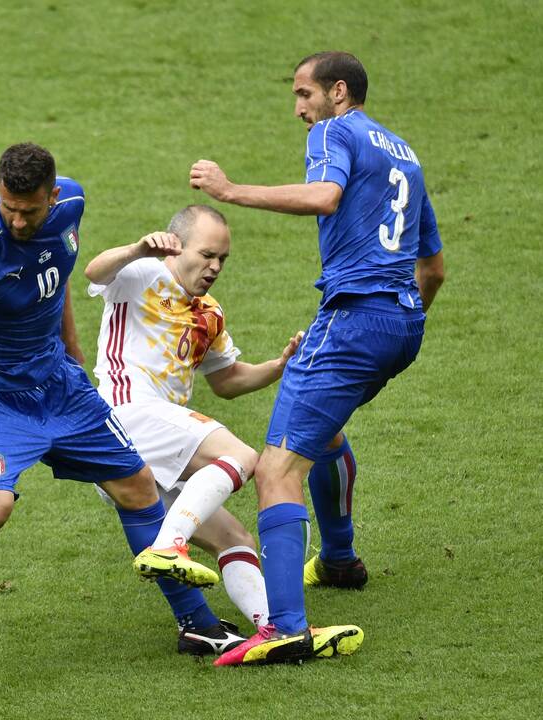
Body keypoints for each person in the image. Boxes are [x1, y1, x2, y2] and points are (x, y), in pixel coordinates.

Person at [0, 142, 218, 678]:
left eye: (29, 210)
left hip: (60, 386)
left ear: (52, 195)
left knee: (138, 488)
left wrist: (72, 353)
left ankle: (195, 623)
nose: (19, 221)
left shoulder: (72, 203)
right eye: (8, 208)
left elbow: (59, 276)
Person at [189, 51, 445, 666]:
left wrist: (228, 191)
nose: (299, 108)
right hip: (403, 323)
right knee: (320, 434)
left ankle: (285, 630)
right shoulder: (404, 152)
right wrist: (401, 319)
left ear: (337, 91)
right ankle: (337, 559)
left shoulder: (335, 131)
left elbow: (326, 195)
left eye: (305, 93)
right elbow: (433, 266)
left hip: (355, 320)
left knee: (276, 469)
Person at [84, 205, 305, 654]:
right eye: (207, 255)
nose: (215, 267)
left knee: (235, 538)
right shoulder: (140, 272)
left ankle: (275, 633)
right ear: (177, 243)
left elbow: (227, 381)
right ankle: (170, 545)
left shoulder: (209, 313)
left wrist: (279, 366)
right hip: (125, 416)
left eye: (223, 259)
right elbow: (94, 269)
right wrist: (136, 247)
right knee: (243, 457)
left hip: (154, 442)